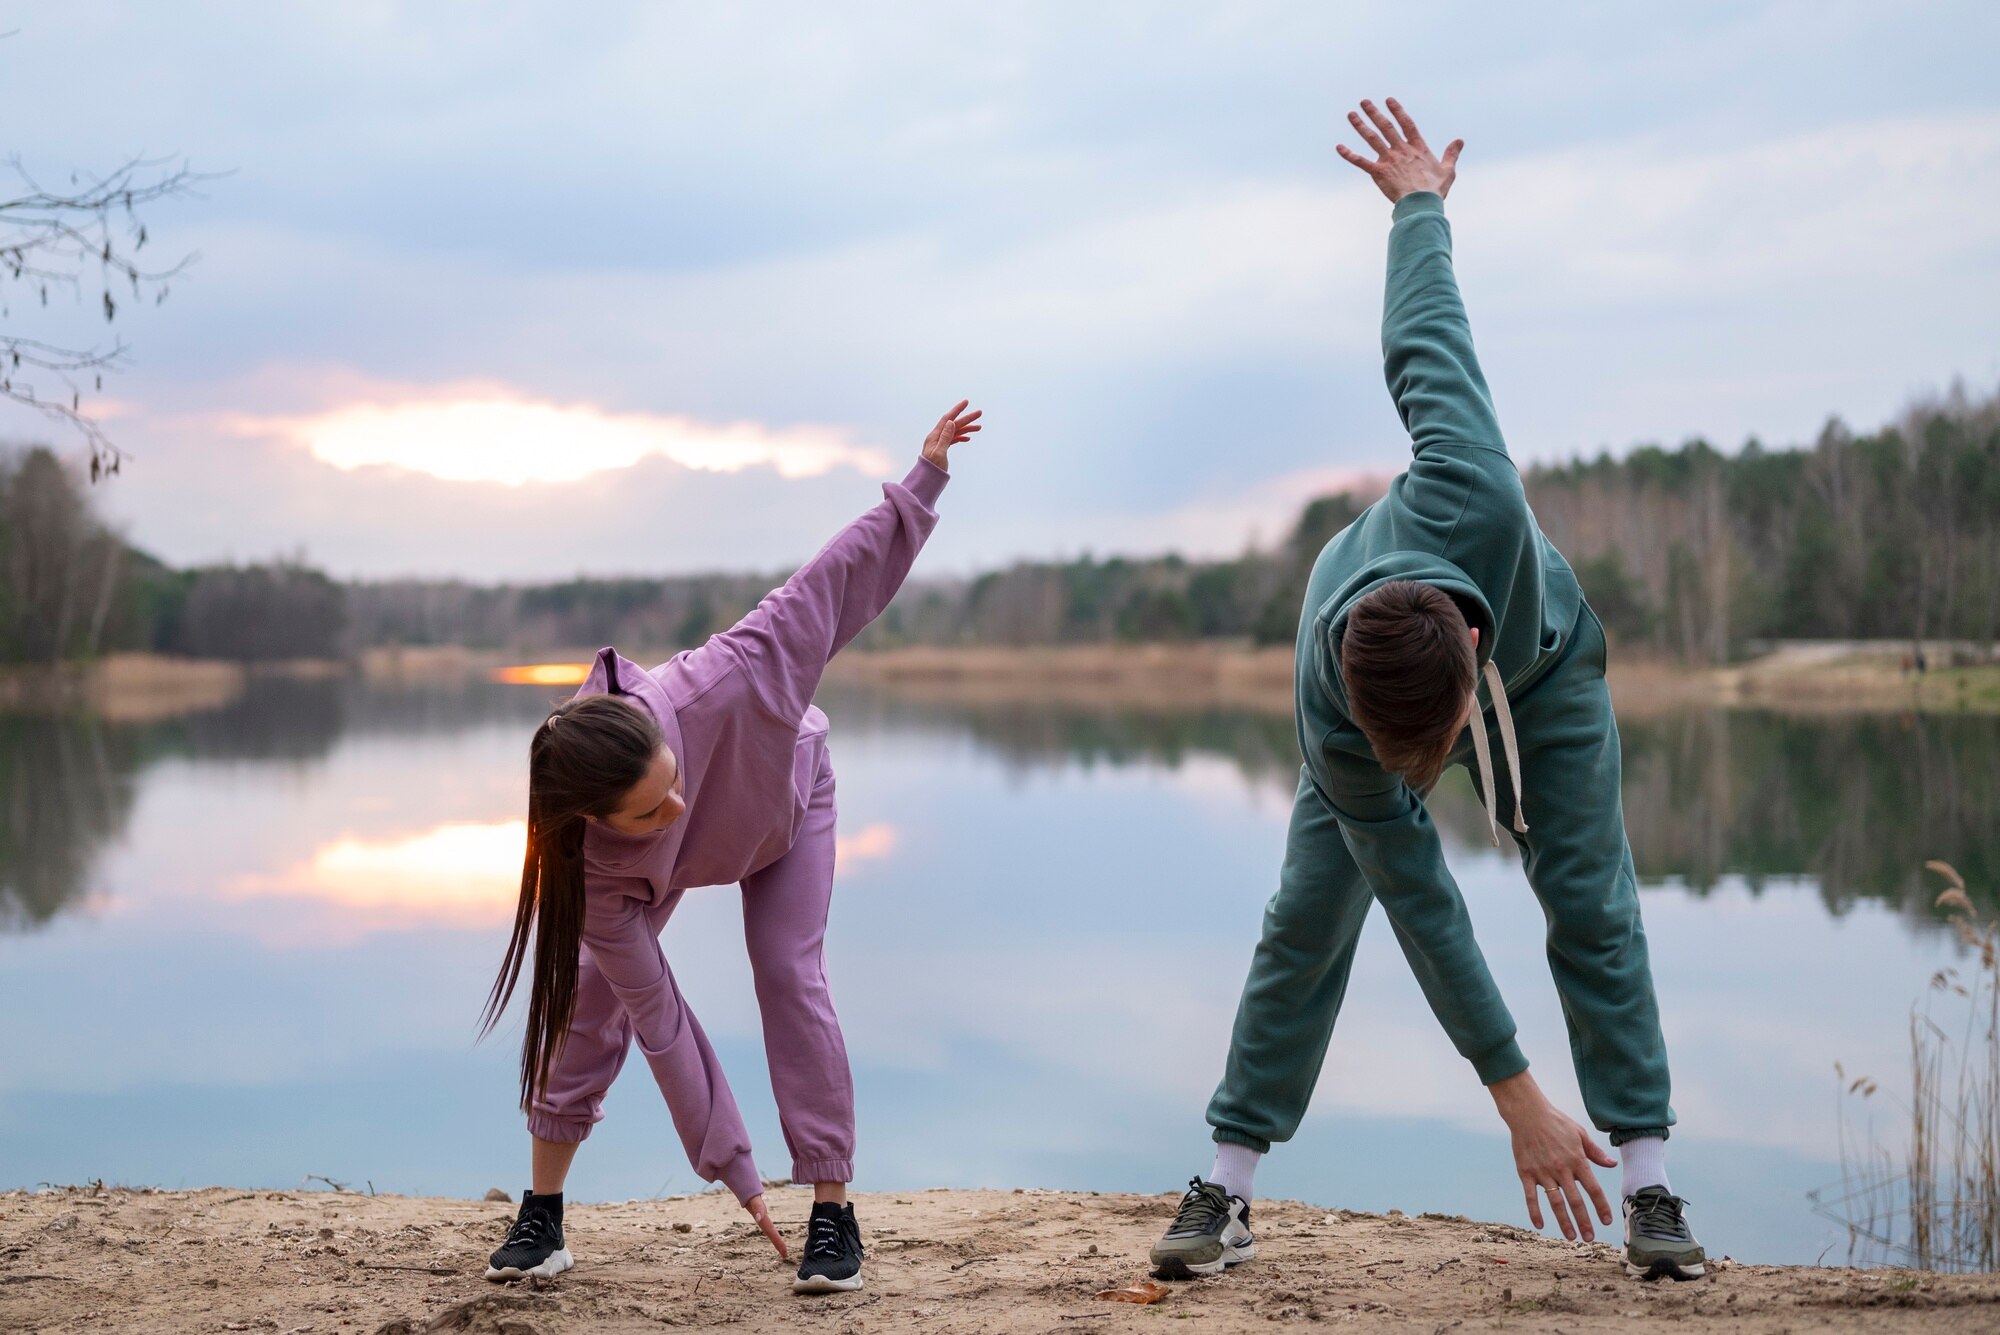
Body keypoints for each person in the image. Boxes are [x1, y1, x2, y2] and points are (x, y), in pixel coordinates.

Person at [1147, 99, 1704, 1283]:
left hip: (1546, 670)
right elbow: (1423, 906)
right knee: (1308, 915)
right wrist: (1512, 1094)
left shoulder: (1475, 490)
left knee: (1589, 895)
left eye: (1434, 748)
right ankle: (1225, 1185)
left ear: (1461, 663)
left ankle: (1650, 1183)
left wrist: (1416, 207)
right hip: (1393, 698)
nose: (1426, 777)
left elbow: (1424, 339)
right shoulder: (1330, 706)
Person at [478, 401, 982, 1295]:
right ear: (597, 820)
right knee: (597, 994)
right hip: (667, 870)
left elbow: (836, 578)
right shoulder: (592, 871)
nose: (674, 800)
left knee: (789, 970)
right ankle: (544, 1216)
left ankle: (833, 1213)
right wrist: (735, 1170)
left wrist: (924, 477)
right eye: (648, 808)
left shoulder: (735, 674)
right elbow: (663, 1022)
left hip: (786, 806)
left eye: (671, 777)